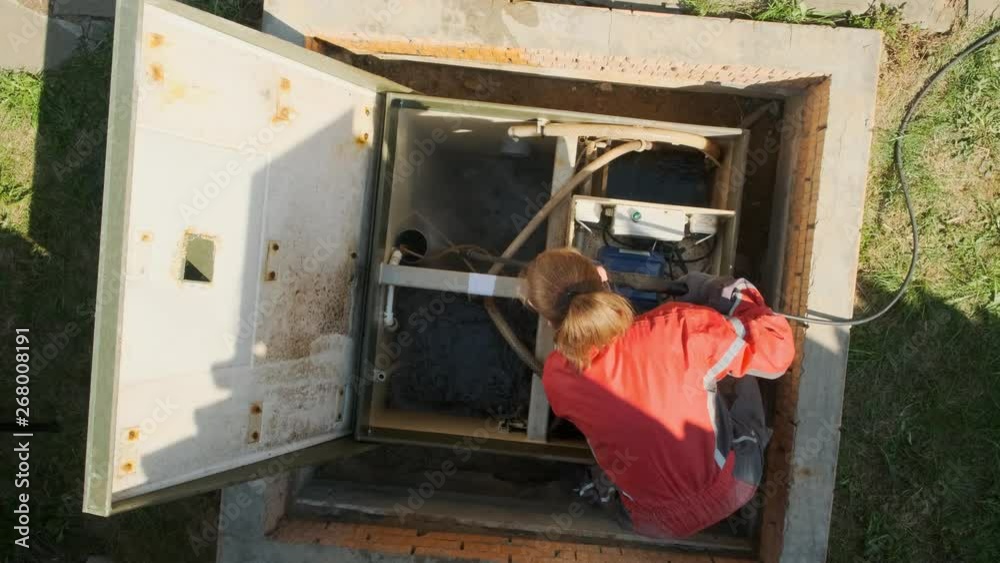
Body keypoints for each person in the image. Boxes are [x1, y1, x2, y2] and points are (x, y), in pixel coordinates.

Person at [522, 248, 794, 538]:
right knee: (735, 364)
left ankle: (603, 492)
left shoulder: (556, 376)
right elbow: (778, 353)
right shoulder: (678, 325)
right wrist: (717, 290)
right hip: (733, 486)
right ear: (600, 276)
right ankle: (748, 438)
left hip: (650, 522)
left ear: (548, 320)